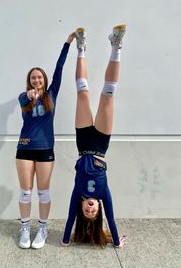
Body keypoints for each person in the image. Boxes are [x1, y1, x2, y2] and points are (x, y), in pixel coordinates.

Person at [61, 25, 127, 248]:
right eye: (93, 211)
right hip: (100, 145)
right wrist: (116, 242)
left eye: (86, 211)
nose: (89, 209)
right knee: (108, 95)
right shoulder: (103, 193)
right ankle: (116, 45)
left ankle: (81, 47)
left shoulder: (78, 193)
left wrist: (65, 239)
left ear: (82, 207)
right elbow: (112, 218)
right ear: (98, 208)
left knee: (82, 93)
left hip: (83, 144)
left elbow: (70, 219)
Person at [16, 32, 75, 249]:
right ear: (30, 81)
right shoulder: (24, 97)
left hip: (45, 150)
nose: (37, 80)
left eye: (39, 77)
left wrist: (67, 44)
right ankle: (24, 228)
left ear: (44, 79)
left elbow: (59, 68)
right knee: (25, 191)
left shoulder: (52, 94)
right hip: (24, 148)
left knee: (43, 192)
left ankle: (42, 227)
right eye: (33, 77)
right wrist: (30, 96)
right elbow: (26, 99)